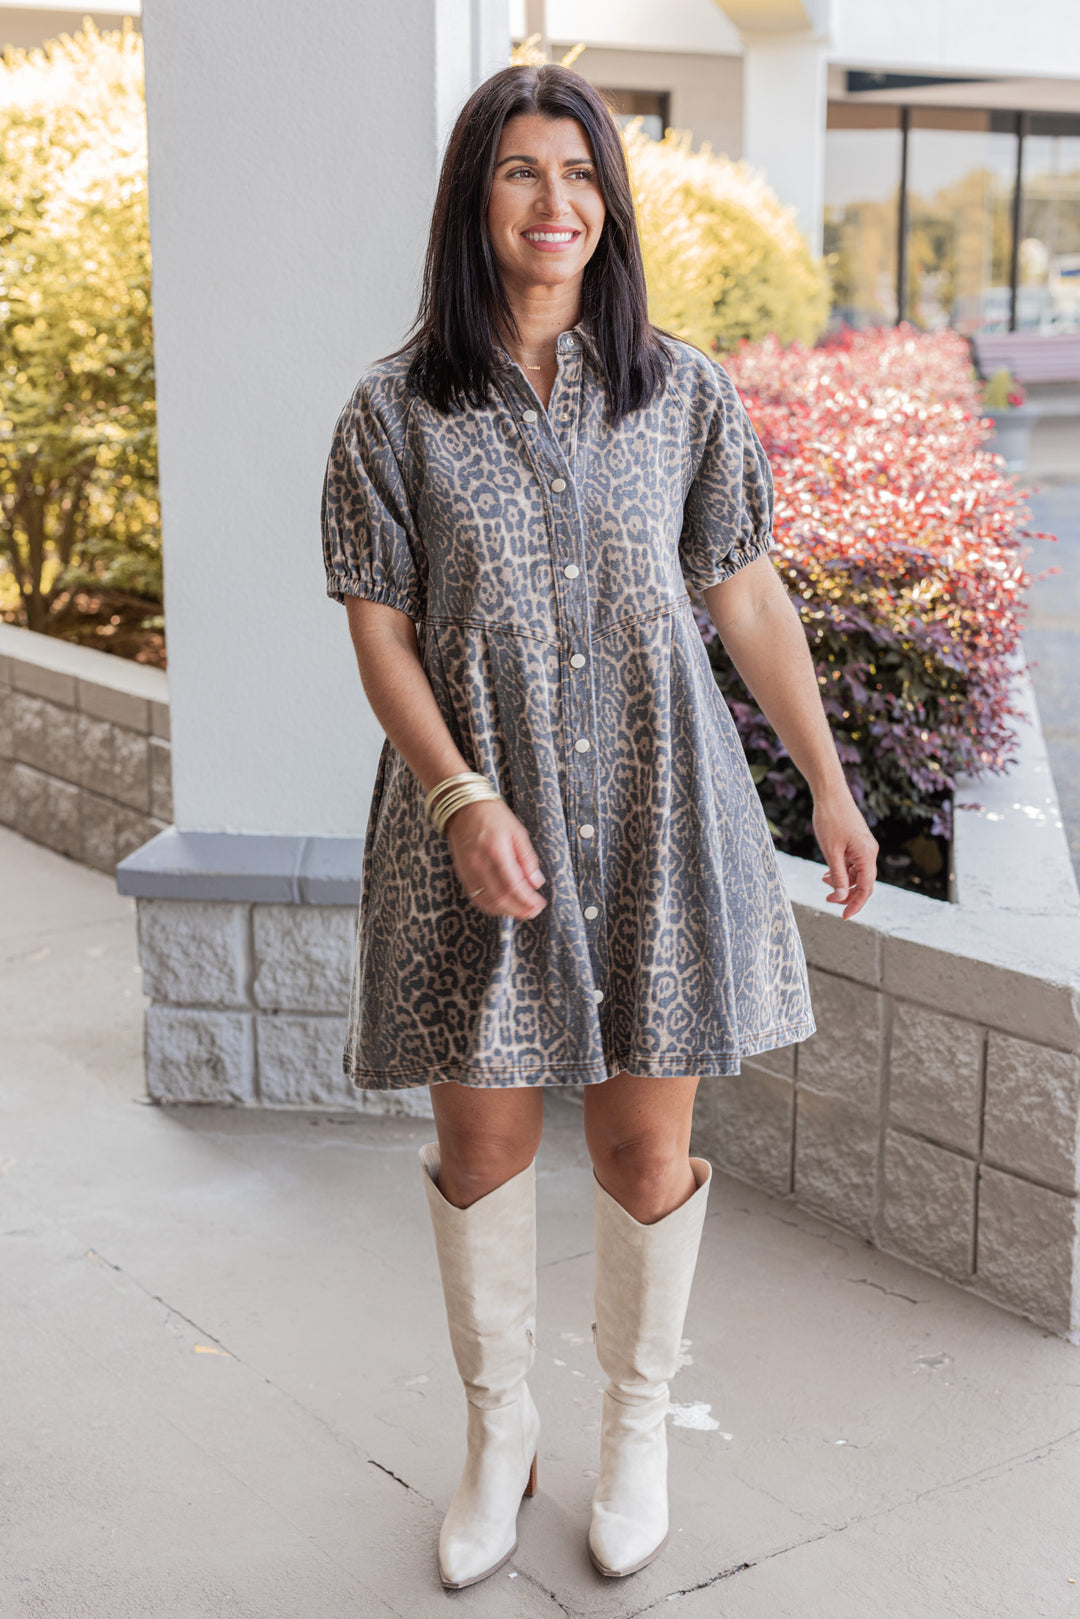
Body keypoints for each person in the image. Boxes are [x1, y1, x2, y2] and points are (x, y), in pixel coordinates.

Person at [320, 62, 877, 1592]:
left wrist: (826, 783)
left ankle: (637, 1430)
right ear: (474, 200)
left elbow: (745, 593)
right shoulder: (395, 410)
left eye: (579, 173)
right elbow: (380, 634)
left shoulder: (679, 389)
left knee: (646, 1150)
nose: (554, 201)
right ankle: (502, 1437)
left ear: (609, 205)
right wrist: (459, 794)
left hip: (657, 810)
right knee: (483, 1146)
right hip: (473, 814)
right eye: (519, 172)